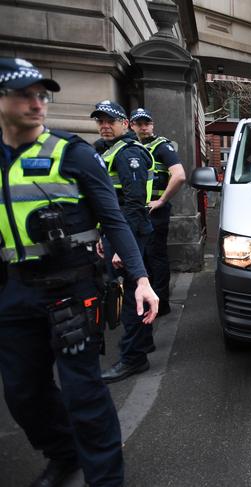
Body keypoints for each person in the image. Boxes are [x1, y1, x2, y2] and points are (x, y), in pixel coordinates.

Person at [0, 58, 158, 487]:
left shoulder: (75, 154)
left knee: (83, 393)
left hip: (71, 289)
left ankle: (105, 478)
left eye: (41, 95)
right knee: (23, 393)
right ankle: (63, 454)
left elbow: (117, 216)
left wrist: (141, 279)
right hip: (15, 292)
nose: (36, 103)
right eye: (24, 95)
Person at [91, 100, 156, 383]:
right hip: (121, 233)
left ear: (124, 124)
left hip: (130, 234)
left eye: (110, 121)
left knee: (133, 298)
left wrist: (119, 247)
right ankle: (142, 346)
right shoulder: (112, 150)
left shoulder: (129, 153)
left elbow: (132, 203)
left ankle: (134, 358)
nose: (104, 126)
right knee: (134, 294)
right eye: (100, 121)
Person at [130, 108, 186, 317]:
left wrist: (161, 200)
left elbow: (179, 175)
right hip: (138, 212)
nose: (144, 127)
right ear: (132, 125)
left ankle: (161, 304)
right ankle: (148, 300)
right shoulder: (132, 147)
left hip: (155, 213)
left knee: (155, 257)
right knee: (143, 258)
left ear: (152, 125)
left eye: (147, 123)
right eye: (139, 123)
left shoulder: (161, 147)